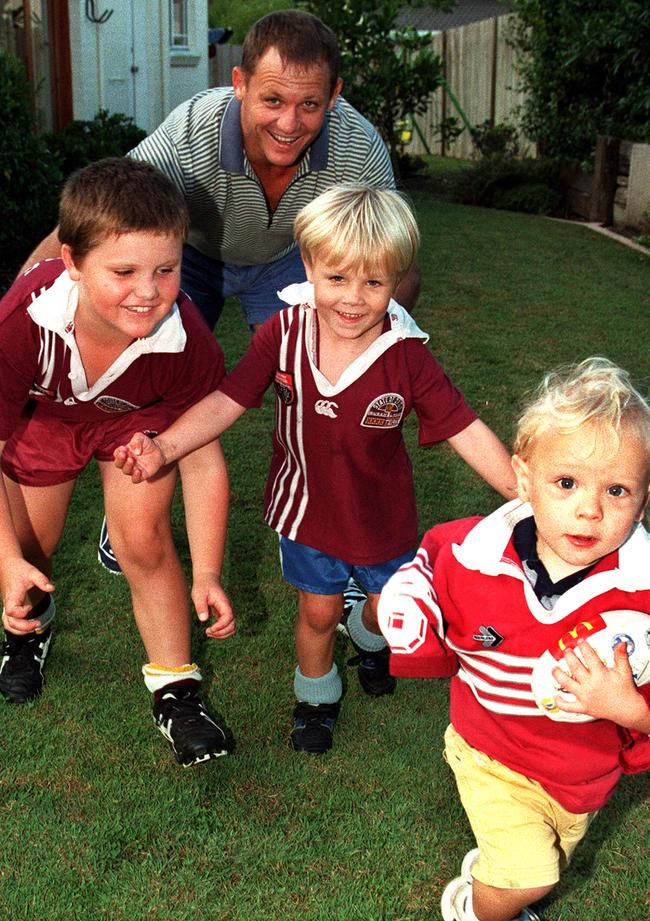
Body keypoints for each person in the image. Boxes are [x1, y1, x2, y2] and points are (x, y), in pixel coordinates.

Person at [114, 185, 516, 755]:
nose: (353, 298)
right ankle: (316, 701)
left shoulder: (406, 354)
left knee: (389, 607)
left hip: (383, 519)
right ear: (309, 265)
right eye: (337, 279)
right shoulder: (283, 333)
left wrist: (518, 490)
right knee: (318, 612)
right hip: (305, 512)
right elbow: (227, 401)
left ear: (397, 280)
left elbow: (461, 426)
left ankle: (369, 633)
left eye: (374, 282)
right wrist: (165, 446)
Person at [20, 9, 421, 576]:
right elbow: (97, 224)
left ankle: (335, 531)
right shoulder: (192, 131)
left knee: (315, 390)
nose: (289, 122)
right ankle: (135, 493)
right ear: (239, 84)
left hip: (289, 261)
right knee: (152, 366)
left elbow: (395, 258)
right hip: (194, 258)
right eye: (273, 100)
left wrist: (372, 344)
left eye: (310, 104)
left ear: (334, 97)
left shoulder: (358, 147)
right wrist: (15, 310)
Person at [377, 357, 650, 921]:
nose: (589, 511)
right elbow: (430, 567)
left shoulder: (643, 589)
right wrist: (406, 604)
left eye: (617, 491)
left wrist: (627, 705)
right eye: (566, 483)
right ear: (523, 478)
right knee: (532, 874)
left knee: (545, 858)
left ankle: (491, 880)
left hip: (583, 772)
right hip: (489, 748)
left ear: (644, 493)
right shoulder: (472, 551)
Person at [0, 158, 236, 768]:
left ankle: (177, 691)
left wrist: (207, 571)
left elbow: (203, 459)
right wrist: (5, 562)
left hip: (137, 420)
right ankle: (27, 629)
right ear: (74, 262)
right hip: (45, 416)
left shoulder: (183, 337)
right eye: (124, 270)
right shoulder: (22, 321)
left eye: (167, 268)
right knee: (30, 550)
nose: (149, 290)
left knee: (145, 540)